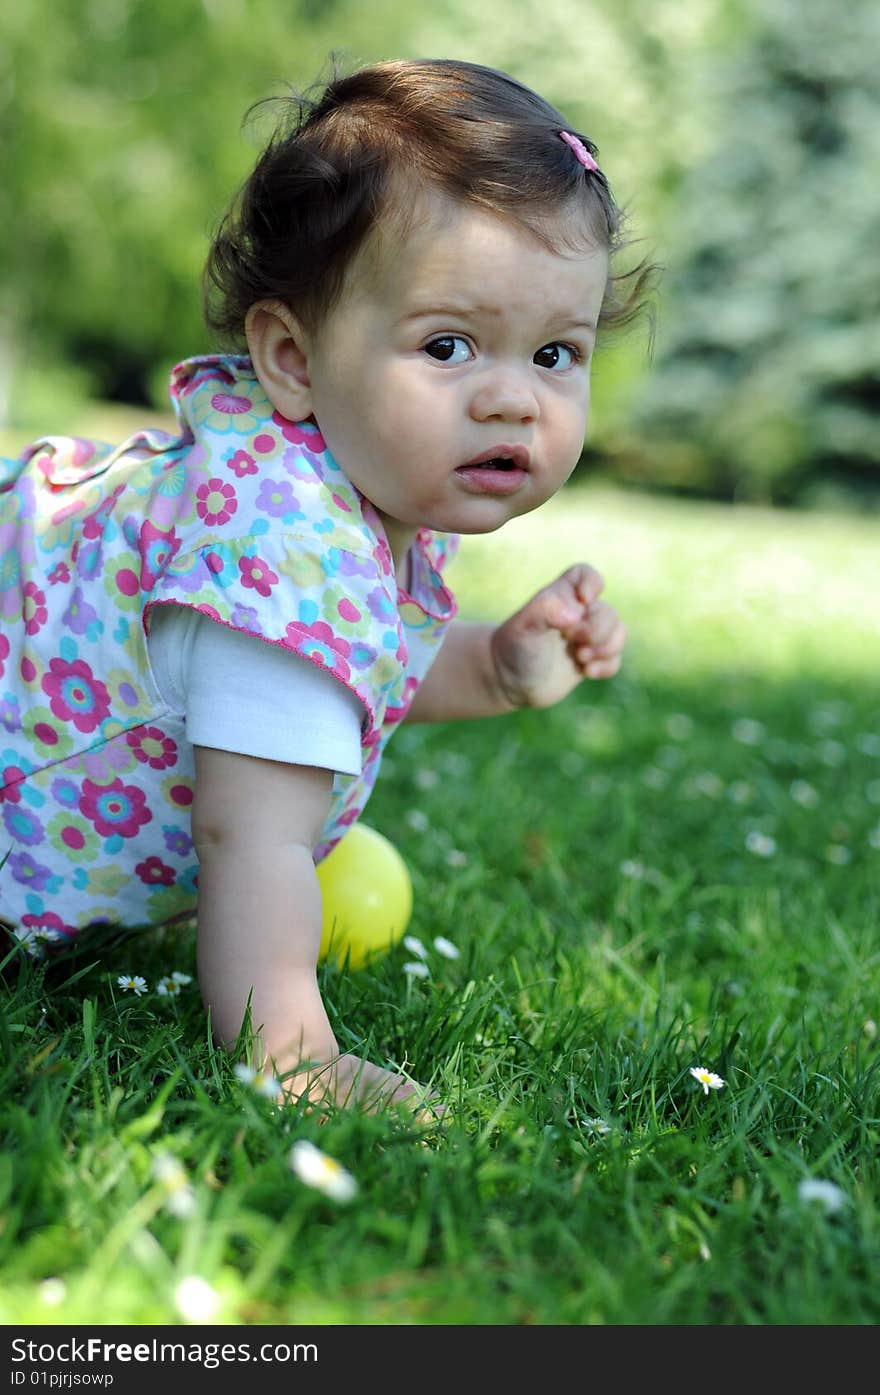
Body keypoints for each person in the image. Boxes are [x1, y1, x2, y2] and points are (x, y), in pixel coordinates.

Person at [0, 58, 651, 1114]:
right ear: (294, 361)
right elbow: (248, 835)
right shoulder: (277, 554)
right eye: (448, 344)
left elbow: (358, 659)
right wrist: (291, 1049)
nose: (511, 400)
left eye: (553, 353)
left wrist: (492, 664)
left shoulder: (344, 505)